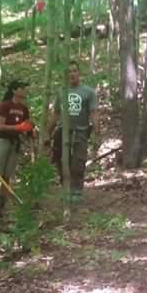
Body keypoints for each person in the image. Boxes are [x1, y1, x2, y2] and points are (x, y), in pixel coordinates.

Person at [0, 79, 34, 218]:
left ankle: (1, 207)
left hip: (14, 143)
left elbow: (27, 125)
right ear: (14, 90)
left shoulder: (24, 108)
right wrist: (18, 127)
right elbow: (0, 126)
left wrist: (29, 130)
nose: (24, 90)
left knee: (6, 177)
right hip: (1, 141)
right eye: (22, 87)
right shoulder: (5, 105)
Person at [47, 61, 98, 198]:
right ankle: (65, 188)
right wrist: (48, 132)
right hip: (63, 130)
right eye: (69, 72)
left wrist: (97, 133)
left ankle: (76, 190)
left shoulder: (88, 92)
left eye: (74, 71)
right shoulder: (61, 91)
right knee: (61, 160)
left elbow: (93, 112)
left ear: (79, 73)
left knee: (78, 161)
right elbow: (56, 113)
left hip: (81, 130)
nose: (72, 74)